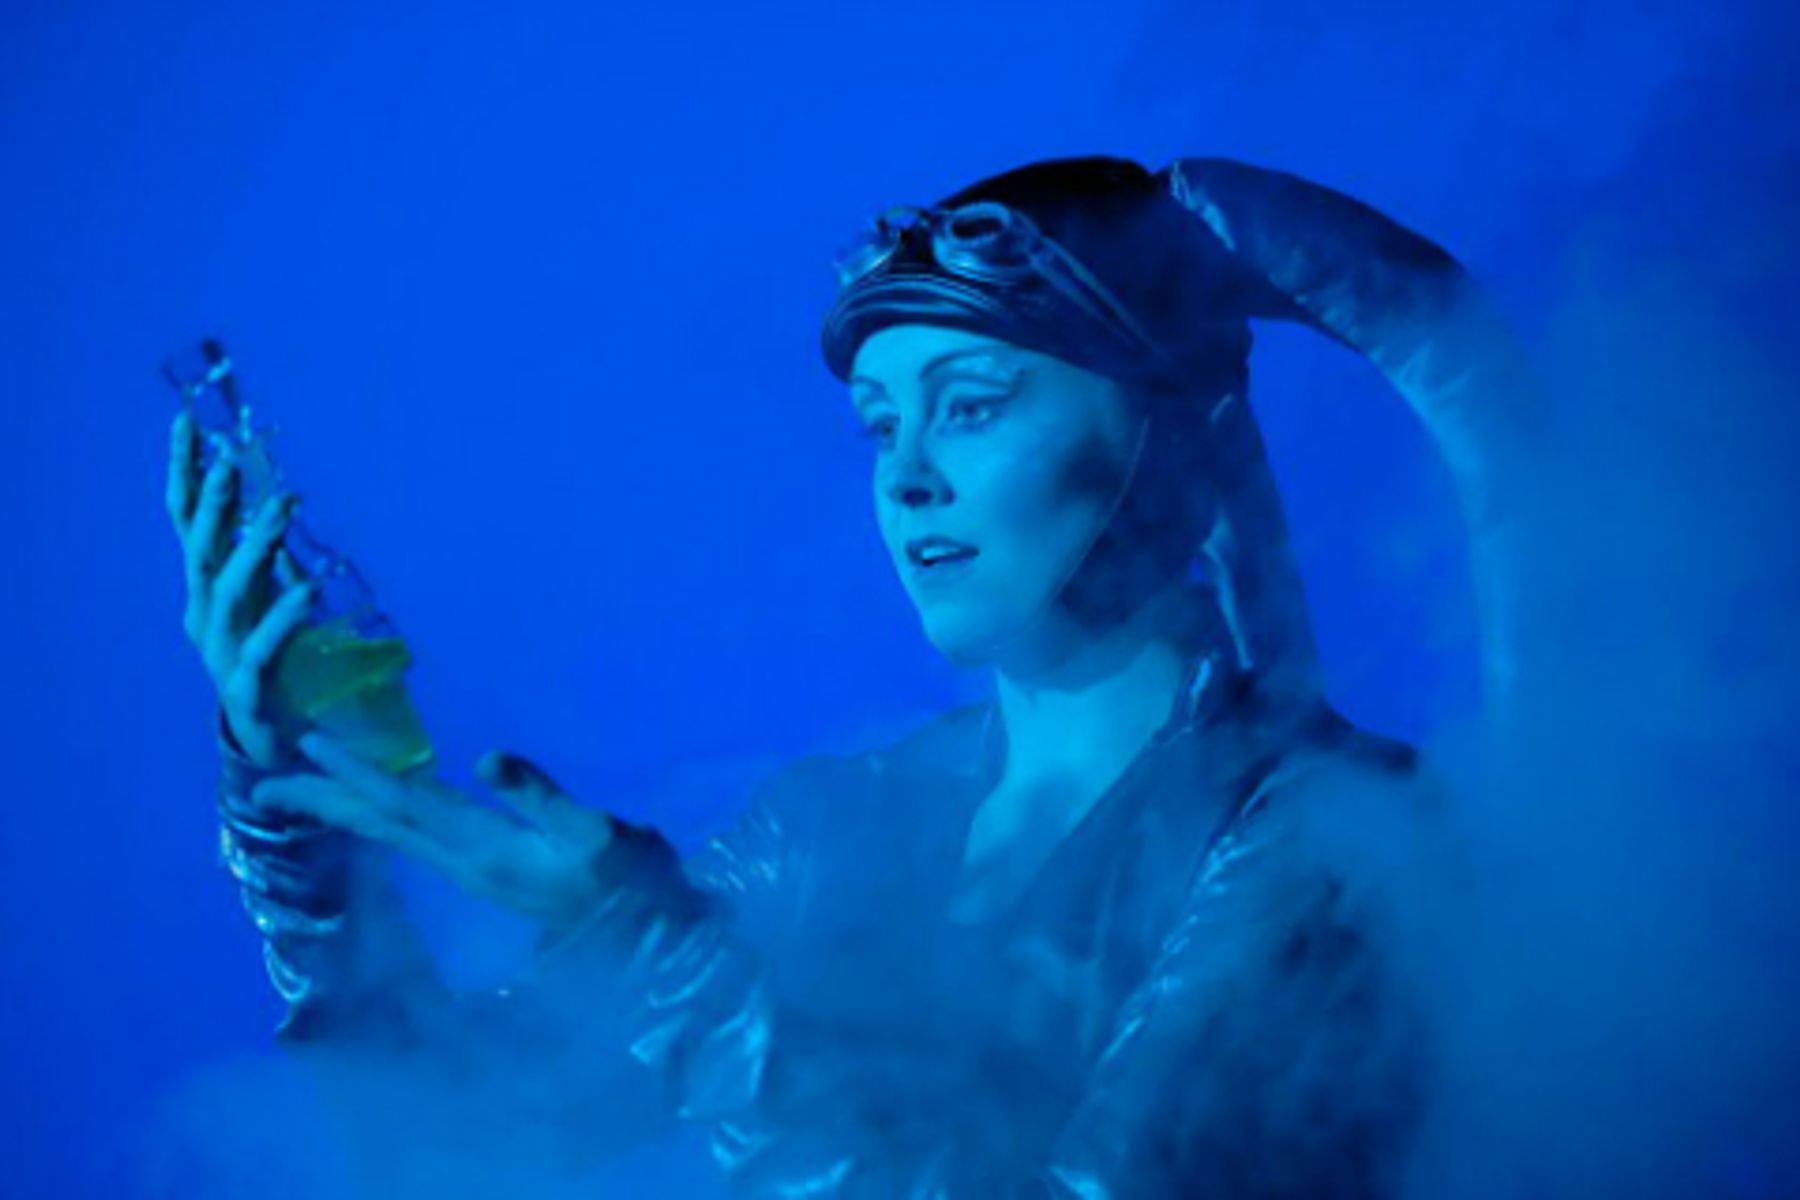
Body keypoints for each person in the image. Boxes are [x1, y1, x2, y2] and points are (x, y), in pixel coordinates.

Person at [167, 155, 1521, 1197]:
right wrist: (301, 816)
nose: (908, 476)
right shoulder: (836, 824)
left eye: (972, 406)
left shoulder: (1329, 830)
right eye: (881, 424)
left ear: (1176, 436)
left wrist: (656, 954)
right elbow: (454, 1131)